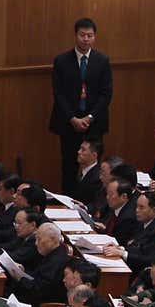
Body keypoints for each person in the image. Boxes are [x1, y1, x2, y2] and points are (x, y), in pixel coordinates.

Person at [49, 18, 112, 192]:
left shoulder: (102, 61)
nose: (86, 39)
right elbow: (58, 93)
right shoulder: (61, 61)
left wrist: (90, 117)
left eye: (90, 36)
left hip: (94, 123)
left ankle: (92, 203)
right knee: (69, 165)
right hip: (69, 124)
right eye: (82, 35)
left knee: (93, 167)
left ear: (94, 37)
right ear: (76, 35)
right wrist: (73, 118)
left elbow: (106, 94)